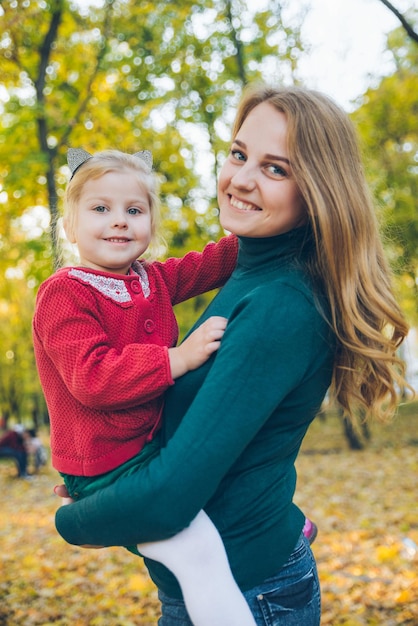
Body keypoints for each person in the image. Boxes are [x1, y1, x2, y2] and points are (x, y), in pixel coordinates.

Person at [53, 85, 411, 625]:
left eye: (276, 169)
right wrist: (105, 467)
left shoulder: (280, 303)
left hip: (249, 593)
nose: (240, 179)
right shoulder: (251, 265)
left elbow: (169, 498)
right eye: (239, 154)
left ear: (317, 191)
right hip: (223, 586)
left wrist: (75, 520)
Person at [33, 148, 257, 626]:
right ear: (69, 227)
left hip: (148, 450)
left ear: (151, 223)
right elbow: (92, 377)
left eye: (134, 211)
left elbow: (211, 263)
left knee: (214, 480)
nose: (119, 222)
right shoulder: (64, 293)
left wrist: (261, 227)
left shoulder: (149, 279)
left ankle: (278, 528)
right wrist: (177, 358)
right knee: (198, 556)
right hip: (107, 464)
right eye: (100, 209)